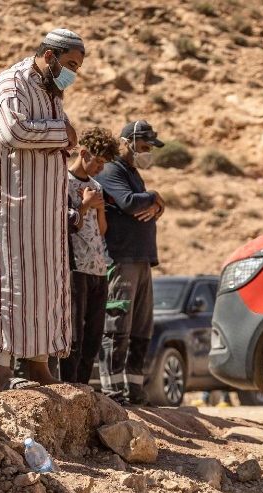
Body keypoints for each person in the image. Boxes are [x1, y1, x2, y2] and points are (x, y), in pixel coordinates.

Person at [0, 28, 85, 392]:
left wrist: (62, 130)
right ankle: (1, 376)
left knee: (44, 291)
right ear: (49, 57)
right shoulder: (10, 83)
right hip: (12, 215)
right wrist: (62, 133)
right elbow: (11, 131)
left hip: (45, 217)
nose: (72, 73)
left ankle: (38, 366)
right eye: (69, 65)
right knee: (7, 290)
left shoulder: (52, 92)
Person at [95, 120, 166, 405]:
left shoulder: (132, 173)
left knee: (140, 327)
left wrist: (152, 202)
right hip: (121, 258)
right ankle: (113, 390)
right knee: (117, 324)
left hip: (141, 259)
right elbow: (128, 203)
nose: (147, 152)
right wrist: (154, 197)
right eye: (143, 146)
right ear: (127, 142)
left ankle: (134, 389)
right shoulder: (112, 170)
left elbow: (143, 205)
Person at [59, 127, 118, 384]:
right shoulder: (64, 181)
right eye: (98, 162)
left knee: (94, 333)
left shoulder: (95, 186)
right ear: (84, 153)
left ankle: (84, 384)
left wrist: (98, 206)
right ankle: (70, 383)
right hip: (76, 266)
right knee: (75, 333)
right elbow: (70, 222)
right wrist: (83, 204)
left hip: (98, 266)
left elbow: (101, 229)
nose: (100, 169)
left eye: (105, 164)